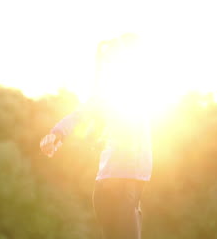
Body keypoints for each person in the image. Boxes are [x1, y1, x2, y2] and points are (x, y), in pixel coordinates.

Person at [40, 34, 152, 239]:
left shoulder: (118, 94)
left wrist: (57, 134)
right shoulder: (117, 95)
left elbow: (80, 114)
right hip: (121, 187)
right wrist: (56, 134)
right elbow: (80, 114)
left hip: (109, 187)